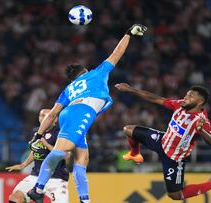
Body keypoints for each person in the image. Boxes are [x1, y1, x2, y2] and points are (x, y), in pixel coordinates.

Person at [27, 24, 147, 203]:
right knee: (60, 152)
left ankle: (85, 200)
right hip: (81, 111)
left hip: (70, 113)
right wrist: (128, 34)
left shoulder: (68, 89)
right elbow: (116, 53)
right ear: (85, 71)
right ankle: (37, 189)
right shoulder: (96, 73)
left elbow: (52, 114)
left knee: (82, 159)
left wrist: (38, 134)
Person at [115, 83, 211, 201]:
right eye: (186, 95)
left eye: (190, 96)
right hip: (162, 141)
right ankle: (135, 153)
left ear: (200, 102)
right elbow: (156, 99)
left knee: (175, 195)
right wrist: (131, 89)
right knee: (128, 130)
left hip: (174, 158)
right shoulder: (180, 105)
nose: (185, 98)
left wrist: (201, 130)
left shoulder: (202, 121)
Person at [6, 109, 70, 203]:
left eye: (46, 116)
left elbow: (66, 156)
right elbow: (36, 150)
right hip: (36, 176)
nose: (43, 118)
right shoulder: (37, 132)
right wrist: (23, 165)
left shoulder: (61, 133)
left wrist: (47, 145)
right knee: (15, 198)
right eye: (41, 115)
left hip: (55, 178)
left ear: (55, 119)